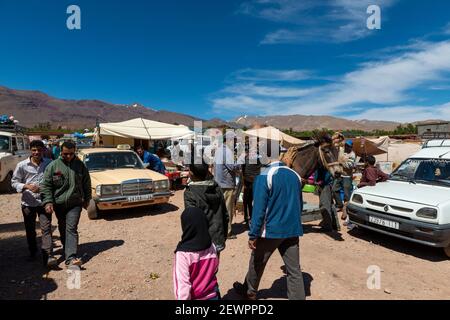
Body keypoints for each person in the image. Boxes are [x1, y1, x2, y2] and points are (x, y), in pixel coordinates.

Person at [233, 150, 306, 300]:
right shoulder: (295, 176)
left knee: (257, 262)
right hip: (292, 230)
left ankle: (250, 292)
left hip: (271, 230)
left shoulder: (264, 175)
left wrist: (253, 234)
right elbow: (299, 204)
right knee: (294, 270)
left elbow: (258, 209)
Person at [41, 141, 91, 267]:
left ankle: (71, 258)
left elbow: (86, 183)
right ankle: (66, 248)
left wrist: (87, 199)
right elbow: (46, 185)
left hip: (75, 203)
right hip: (59, 204)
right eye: (65, 154)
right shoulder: (53, 166)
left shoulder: (80, 166)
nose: (68, 156)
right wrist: (48, 201)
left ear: (75, 151)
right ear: (60, 152)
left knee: (71, 228)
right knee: (63, 228)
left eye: (71, 154)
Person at [11, 140, 56, 267]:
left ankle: (48, 255)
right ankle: (33, 252)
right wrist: (26, 186)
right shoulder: (22, 165)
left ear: (43, 150)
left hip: (44, 202)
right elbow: (14, 182)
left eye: (39, 150)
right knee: (30, 230)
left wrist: (44, 187)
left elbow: (55, 179)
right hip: (28, 203)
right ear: (30, 150)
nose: (37, 152)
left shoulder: (49, 163)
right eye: (34, 150)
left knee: (46, 229)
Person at [173, 207, 220, 300]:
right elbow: (215, 268)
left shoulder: (183, 254)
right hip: (213, 295)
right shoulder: (211, 246)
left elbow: (183, 287)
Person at [184, 162, 229, 253]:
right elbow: (225, 215)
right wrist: (222, 237)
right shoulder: (216, 188)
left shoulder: (190, 193)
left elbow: (191, 221)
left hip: (200, 243)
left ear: (192, 173)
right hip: (217, 239)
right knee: (213, 266)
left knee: (202, 267)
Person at [213, 132, 241, 239]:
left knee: (220, 208)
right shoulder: (227, 151)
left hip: (219, 183)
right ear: (229, 140)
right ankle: (227, 232)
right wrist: (241, 161)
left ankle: (220, 229)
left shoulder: (219, 150)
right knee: (227, 209)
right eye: (234, 141)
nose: (235, 143)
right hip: (227, 184)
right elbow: (232, 167)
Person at [333, 140, 356, 218]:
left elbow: (349, 165)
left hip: (347, 176)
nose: (346, 147)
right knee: (334, 189)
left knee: (347, 194)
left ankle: (346, 209)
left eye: (348, 146)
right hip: (339, 175)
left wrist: (340, 163)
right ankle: (339, 205)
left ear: (351, 147)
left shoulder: (352, 155)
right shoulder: (341, 150)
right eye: (345, 145)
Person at [242, 143, 262, 226]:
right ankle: (248, 217)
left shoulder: (246, 158)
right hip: (250, 182)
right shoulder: (258, 158)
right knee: (248, 201)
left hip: (250, 182)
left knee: (248, 201)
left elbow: (242, 170)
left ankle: (249, 217)